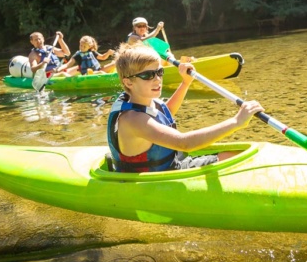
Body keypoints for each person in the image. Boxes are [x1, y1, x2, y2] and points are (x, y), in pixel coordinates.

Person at [107, 43, 264, 173]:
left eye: (159, 72)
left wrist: (185, 83)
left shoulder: (143, 99)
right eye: (148, 75)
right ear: (128, 83)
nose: (157, 80)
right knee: (234, 161)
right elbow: (184, 143)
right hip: (162, 178)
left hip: (173, 165)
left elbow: (163, 114)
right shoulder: (133, 120)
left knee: (232, 156)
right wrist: (237, 121)